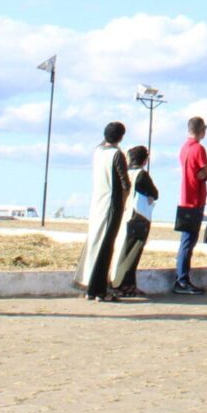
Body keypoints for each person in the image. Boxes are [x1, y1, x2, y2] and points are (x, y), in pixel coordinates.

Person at [75, 122, 131, 302]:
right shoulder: (117, 154)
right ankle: (99, 291)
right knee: (106, 247)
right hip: (111, 205)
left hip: (97, 204)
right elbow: (125, 184)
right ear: (121, 137)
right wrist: (124, 202)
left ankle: (89, 287)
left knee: (95, 244)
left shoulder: (98, 152)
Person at [110, 145, 159, 297]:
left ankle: (121, 283)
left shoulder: (126, 173)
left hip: (125, 215)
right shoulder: (141, 175)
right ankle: (126, 285)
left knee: (123, 251)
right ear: (144, 160)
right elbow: (154, 193)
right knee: (132, 254)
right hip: (139, 217)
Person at [172, 116, 207, 295]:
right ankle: (182, 280)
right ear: (201, 129)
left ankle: (182, 278)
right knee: (188, 243)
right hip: (195, 199)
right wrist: (204, 174)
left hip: (185, 198)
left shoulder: (184, 148)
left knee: (186, 242)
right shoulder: (198, 148)